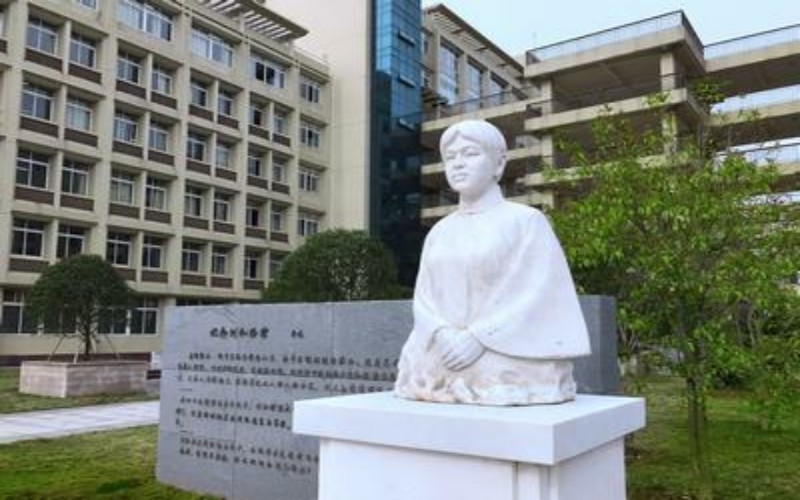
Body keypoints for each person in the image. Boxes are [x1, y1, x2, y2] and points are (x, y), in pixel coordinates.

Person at [394, 119, 591, 405]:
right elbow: (424, 297)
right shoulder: (440, 231)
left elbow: (539, 292)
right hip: (439, 353)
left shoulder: (526, 222)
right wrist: (443, 333)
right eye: (450, 157)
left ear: (498, 164)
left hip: (508, 354)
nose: (458, 164)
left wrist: (480, 338)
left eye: (470, 154)